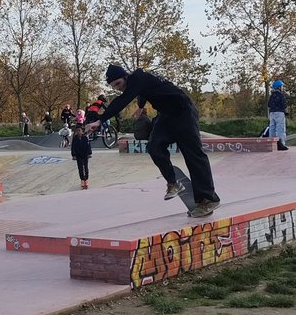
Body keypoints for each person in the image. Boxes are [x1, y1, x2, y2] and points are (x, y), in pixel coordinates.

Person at [89, 64, 220, 218]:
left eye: (118, 84)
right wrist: (141, 106)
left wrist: (100, 120)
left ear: (126, 77)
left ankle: (208, 199)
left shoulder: (137, 78)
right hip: (166, 115)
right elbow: (142, 93)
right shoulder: (140, 82)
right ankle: (173, 183)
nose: (118, 88)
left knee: (193, 155)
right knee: (154, 146)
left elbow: (122, 100)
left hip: (184, 112)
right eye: (113, 86)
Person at [268, 80, 289, 151]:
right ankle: (281, 144)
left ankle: (271, 143)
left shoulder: (271, 95)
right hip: (279, 113)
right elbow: (284, 105)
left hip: (271, 113)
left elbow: (269, 105)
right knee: (280, 128)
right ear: (279, 87)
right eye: (282, 86)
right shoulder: (281, 95)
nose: (282, 88)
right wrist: (286, 112)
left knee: (272, 128)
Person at [71, 123, 92, 188]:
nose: (78, 132)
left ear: (82, 131)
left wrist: (89, 153)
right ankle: (82, 180)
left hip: (85, 154)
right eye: (77, 131)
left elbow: (88, 146)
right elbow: (73, 147)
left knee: (85, 167)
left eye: (79, 130)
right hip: (78, 155)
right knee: (80, 168)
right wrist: (73, 155)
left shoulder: (85, 138)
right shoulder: (75, 139)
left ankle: (86, 179)